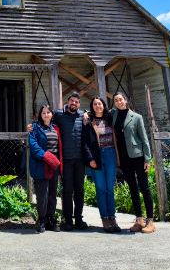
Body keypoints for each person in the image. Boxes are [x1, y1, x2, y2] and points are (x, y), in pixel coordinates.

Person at [26, 91, 88, 230]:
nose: (74, 103)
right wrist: (31, 126)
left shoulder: (62, 123)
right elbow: (34, 143)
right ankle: (54, 220)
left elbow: (91, 113)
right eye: (72, 101)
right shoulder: (51, 119)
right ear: (67, 102)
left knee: (67, 191)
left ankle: (73, 219)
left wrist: (87, 113)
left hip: (70, 161)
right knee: (57, 191)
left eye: (77, 102)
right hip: (56, 161)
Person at [112, 91, 156, 233]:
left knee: (144, 187)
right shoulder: (113, 115)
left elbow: (144, 138)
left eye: (121, 99)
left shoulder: (136, 117)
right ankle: (139, 220)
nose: (119, 102)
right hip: (124, 158)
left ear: (126, 100)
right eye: (116, 101)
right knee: (132, 188)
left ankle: (151, 221)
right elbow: (98, 110)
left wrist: (147, 158)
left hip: (138, 156)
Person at [82, 96, 122, 232]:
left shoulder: (110, 118)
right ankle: (104, 218)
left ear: (104, 105)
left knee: (110, 188)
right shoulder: (89, 120)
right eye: (95, 104)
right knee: (101, 188)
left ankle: (112, 218)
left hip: (110, 154)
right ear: (92, 107)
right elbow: (85, 142)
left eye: (100, 104)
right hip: (97, 156)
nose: (98, 106)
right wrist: (90, 159)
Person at [27, 103, 62, 233]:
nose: (46, 114)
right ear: (40, 115)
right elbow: (34, 146)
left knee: (53, 193)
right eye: (43, 113)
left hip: (54, 165)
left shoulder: (56, 128)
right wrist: (47, 156)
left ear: (52, 114)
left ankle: (50, 219)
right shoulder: (35, 128)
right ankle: (41, 220)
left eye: (48, 112)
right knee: (42, 193)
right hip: (42, 164)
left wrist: (55, 161)